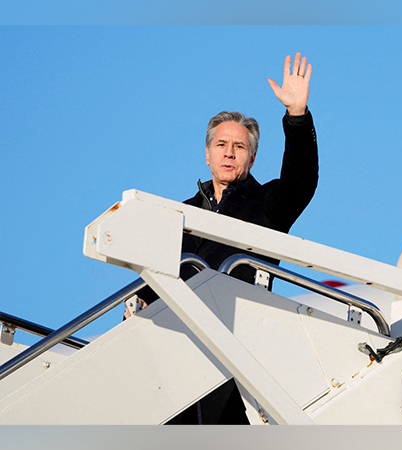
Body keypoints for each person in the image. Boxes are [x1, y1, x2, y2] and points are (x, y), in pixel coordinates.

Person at [125, 52, 319, 424]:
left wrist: (297, 116)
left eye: (239, 147)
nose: (229, 153)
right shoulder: (177, 213)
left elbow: (302, 180)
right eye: (221, 145)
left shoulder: (268, 204)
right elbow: (155, 275)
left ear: (252, 157)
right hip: (176, 344)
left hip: (237, 341)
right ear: (208, 154)